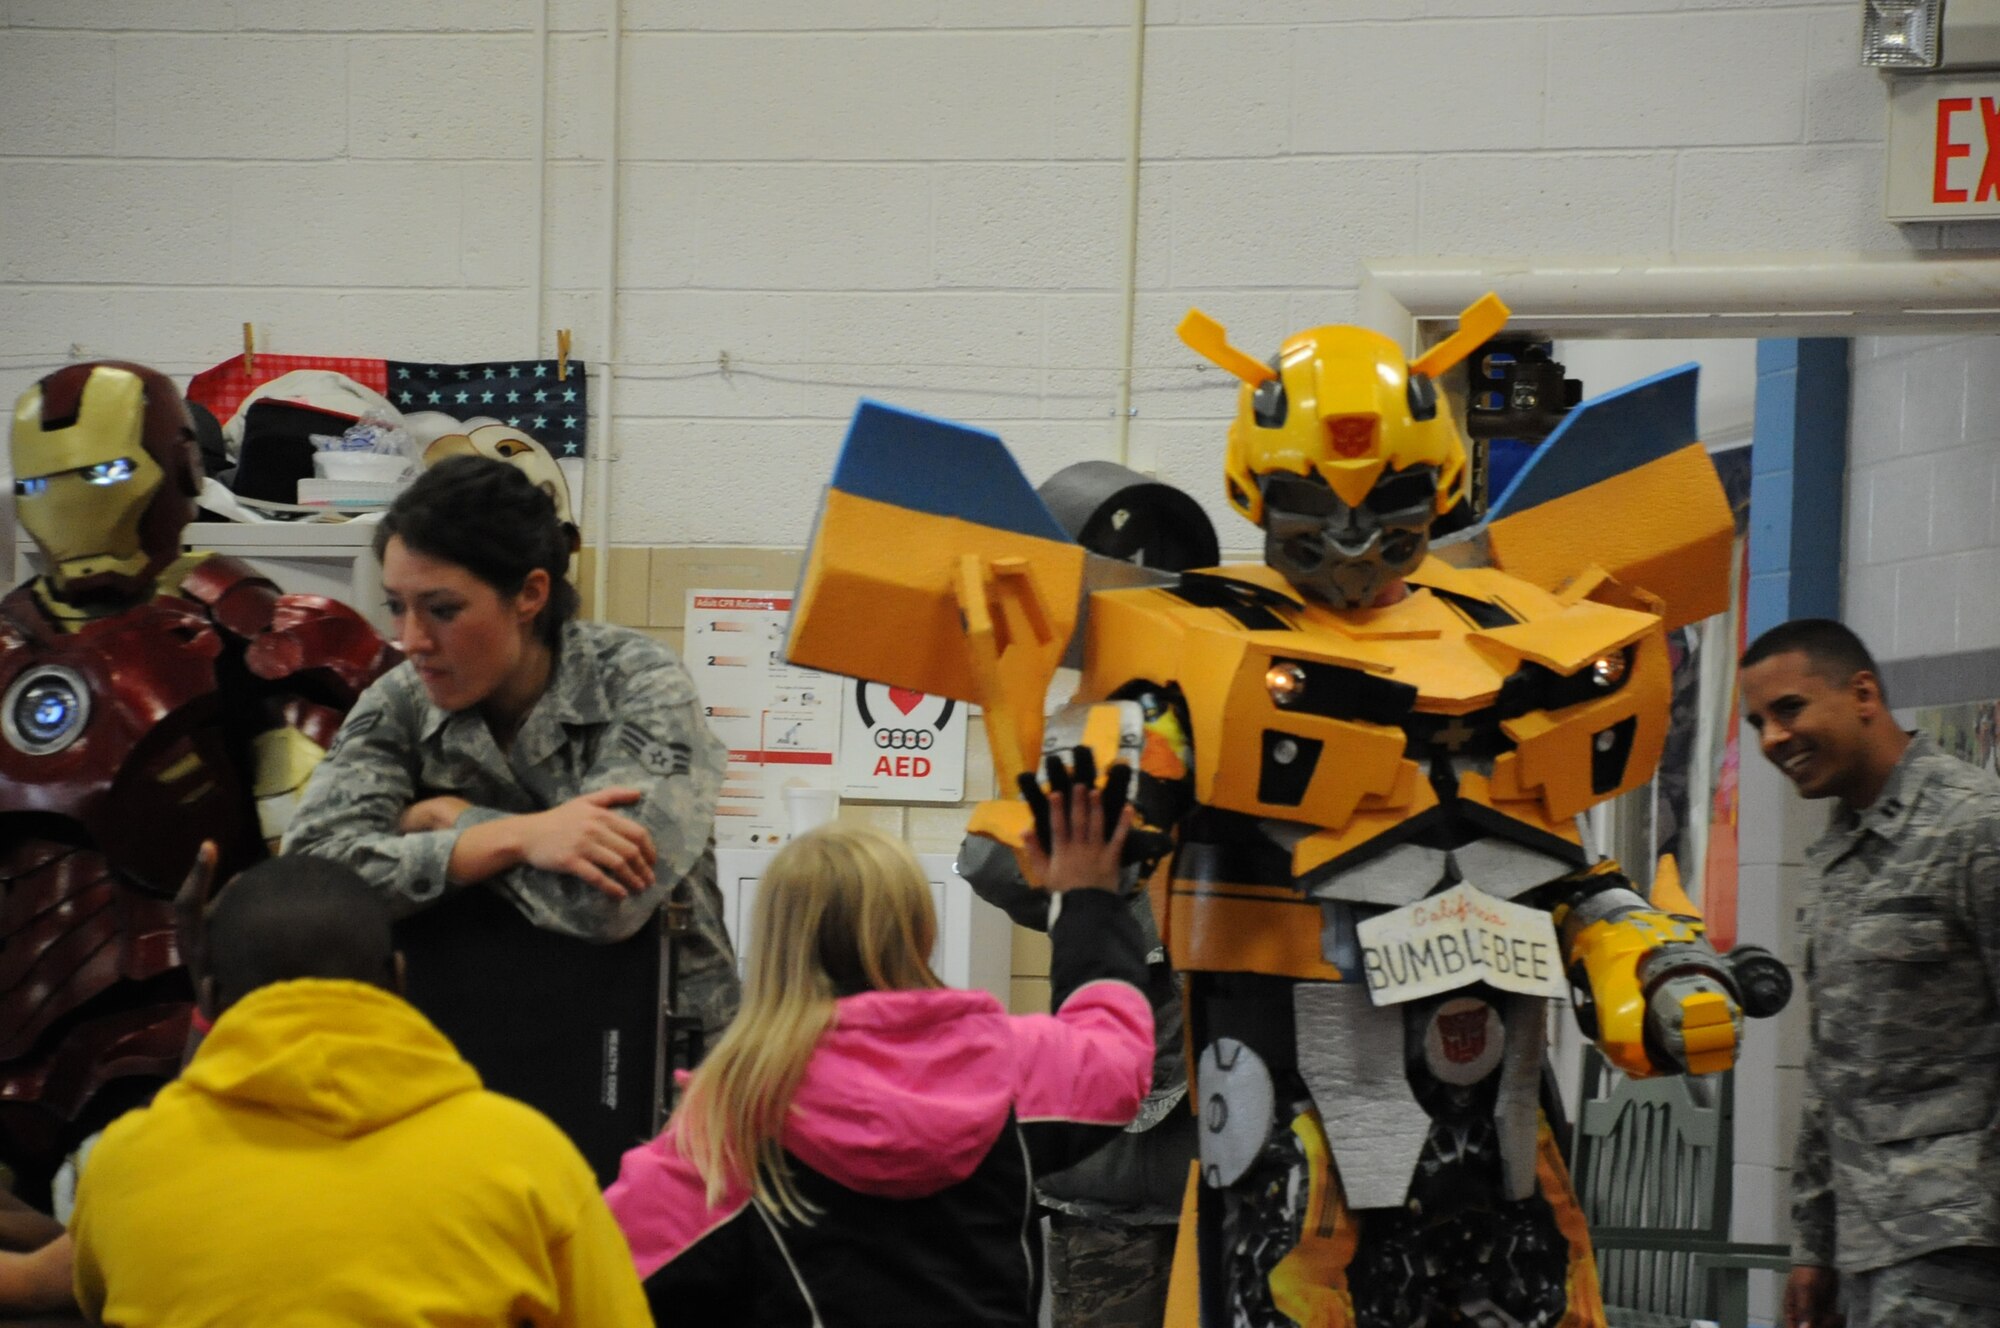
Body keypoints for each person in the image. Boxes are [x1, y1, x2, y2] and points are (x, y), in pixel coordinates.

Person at [284, 454, 737, 1179]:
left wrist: (447, 821)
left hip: (659, 1096)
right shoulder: (400, 702)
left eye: (442, 610)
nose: (412, 639)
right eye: (396, 606)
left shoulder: (639, 684)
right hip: (465, 1079)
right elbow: (311, 888)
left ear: (529, 594)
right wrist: (516, 837)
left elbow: (604, 902)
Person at [605, 766, 1155, 1327]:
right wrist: (1087, 896)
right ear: (922, 931)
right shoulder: (1013, 1063)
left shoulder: (733, 1117)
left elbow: (601, 1268)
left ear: (773, 945)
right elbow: (1117, 1051)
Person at [66, 853, 649, 1326]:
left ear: (212, 1000)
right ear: (397, 979)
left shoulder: (123, 1165)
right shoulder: (527, 1160)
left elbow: (96, 1298)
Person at [1741, 618, 2000, 1328]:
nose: (1772, 739)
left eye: (1789, 709)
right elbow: (1834, 1069)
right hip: (1867, 1249)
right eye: (1758, 723)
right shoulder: (1837, 854)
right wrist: (1814, 1246)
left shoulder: (1975, 827)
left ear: (1863, 694)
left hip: (1962, 1245)